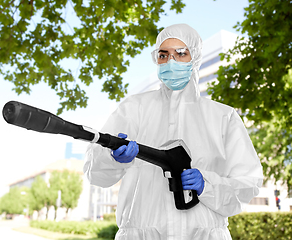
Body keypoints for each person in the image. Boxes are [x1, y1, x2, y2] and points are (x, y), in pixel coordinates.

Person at [83, 23, 263, 240]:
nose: (171, 62)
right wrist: (113, 159)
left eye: (180, 53)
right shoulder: (134, 109)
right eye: (163, 55)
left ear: (194, 57)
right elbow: (94, 173)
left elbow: (248, 183)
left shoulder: (223, 117)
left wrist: (208, 185)